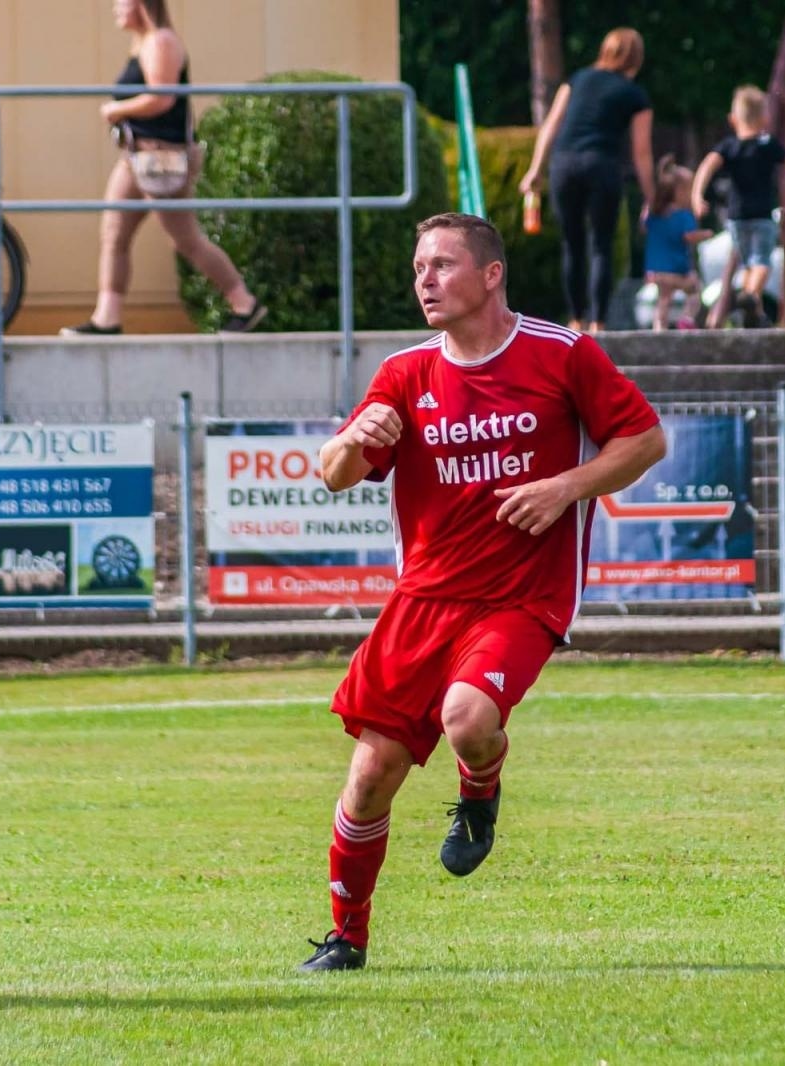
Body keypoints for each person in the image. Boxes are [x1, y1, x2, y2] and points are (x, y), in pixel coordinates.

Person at [299, 213, 665, 971]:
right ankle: (346, 938)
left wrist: (566, 487)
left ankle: (479, 789)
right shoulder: (405, 373)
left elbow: (644, 440)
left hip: (521, 596)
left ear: (491, 274)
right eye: (418, 268)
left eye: (441, 265)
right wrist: (350, 441)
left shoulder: (562, 354)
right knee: (369, 777)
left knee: (467, 717)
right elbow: (335, 474)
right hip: (423, 600)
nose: (424, 281)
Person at [62, 0, 266, 336]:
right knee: (114, 235)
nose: (115, 8)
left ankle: (244, 303)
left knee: (186, 240)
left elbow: (162, 98)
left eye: (121, 2)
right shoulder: (143, 44)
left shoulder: (162, 42)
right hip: (135, 155)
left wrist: (116, 110)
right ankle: (106, 318)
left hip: (161, 157)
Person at [518, 28, 656, 334]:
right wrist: (651, 197)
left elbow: (551, 126)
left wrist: (535, 169)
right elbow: (641, 153)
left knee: (572, 243)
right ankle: (598, 323)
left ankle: (576, 319)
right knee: (601, 246)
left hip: (564, 164)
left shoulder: (577, 79)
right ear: (637, 59)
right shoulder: (635, 95)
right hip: (601, 165)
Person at [691, 86, 785, 328]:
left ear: (733, 119)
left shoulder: (729, 146)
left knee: (748, 265)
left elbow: (707, 166)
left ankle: (756, 313)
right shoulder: (768, 144)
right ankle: (752, 296)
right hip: (763, 216)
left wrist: (697, 195)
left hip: (736, 218)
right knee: (762, 262)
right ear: (765, 118)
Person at [643, 156, 711, 331]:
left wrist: (649, 205)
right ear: (679, 192)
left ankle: (659, 327)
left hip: (656, 271)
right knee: (694, 290)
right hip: (677, 269)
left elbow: (644, 226)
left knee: (664, 299)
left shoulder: (654, 214)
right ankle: (687, 318)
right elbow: (689, 236)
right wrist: (706, 234)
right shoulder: (683, 216)